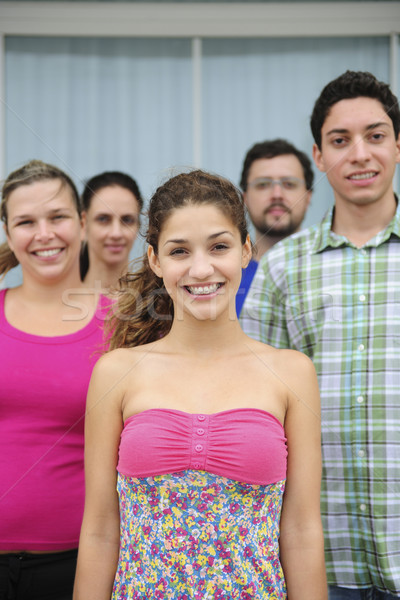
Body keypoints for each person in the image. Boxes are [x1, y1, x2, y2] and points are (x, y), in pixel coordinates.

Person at [73, 169, 327, 600]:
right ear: (155, 260)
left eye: (219, 246)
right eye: (179, 251)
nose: (201, 268)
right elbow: (100, 530)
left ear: (246, 251)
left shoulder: (292, 372)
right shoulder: (116, 373)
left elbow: (301, 531)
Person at [240, 70, 400, 599]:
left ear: (398, 144)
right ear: (320, 155)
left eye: (375, 136)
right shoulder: (283, 267)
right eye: (340, 141)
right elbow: (256, 406)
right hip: (322, 558)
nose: (359, 154)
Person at [0, 160, 109, 599]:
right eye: (26, 221)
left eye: (57, 217)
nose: (44, 234)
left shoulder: (127, 326)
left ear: (82, 222)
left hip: (79, 568)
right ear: (8, 231)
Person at [236, 138, 313, 314]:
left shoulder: (330, 270)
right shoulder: (223, 278)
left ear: (308, 197)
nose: (277, 195)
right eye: (263, 185)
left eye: (289, 184)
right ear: (245, 199)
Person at [80, 171, 143, 292]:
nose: (116, 233)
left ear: (138, 225)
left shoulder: (156, 301)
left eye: (127, 220)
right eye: (103, 219)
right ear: (83, 224)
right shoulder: (57, 300)